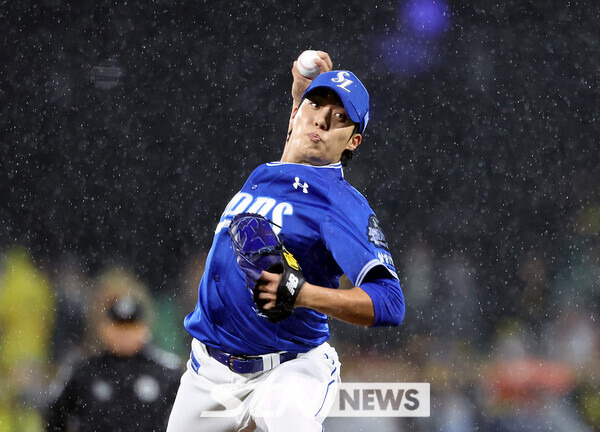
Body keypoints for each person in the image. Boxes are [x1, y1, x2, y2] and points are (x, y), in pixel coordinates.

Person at [166, 51, 405, 432]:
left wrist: (305, 294)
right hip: (207, 375)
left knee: (287, 420)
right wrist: (299, 94)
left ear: (353, 142)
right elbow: (299, 145)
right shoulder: (270, 172)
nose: (323, 120)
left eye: (340, 118)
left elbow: (390, 303)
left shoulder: (339, 202)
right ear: (296, 115)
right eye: (318, 103)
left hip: (289, 370)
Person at [45, 267, 182, 432]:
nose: (123, 334)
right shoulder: (82, 372)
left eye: (130, 326)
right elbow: (54, 418)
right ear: (103, 326)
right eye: (117, 326)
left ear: (144, 327)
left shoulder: (168, 373)